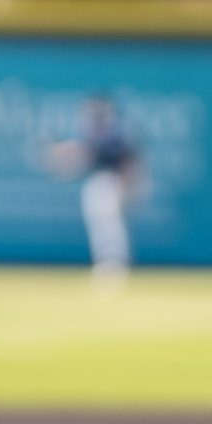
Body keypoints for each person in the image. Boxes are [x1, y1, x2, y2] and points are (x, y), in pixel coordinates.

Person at [44, 94, 137, 289]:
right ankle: (107, 264)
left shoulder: (114, 134)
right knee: (101, 226)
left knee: (110, 226)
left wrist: (65, 152)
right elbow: (83, 156)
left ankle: (113, 265)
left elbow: (126, 162)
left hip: (111, 183)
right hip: (99, 183)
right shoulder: (95, 134)